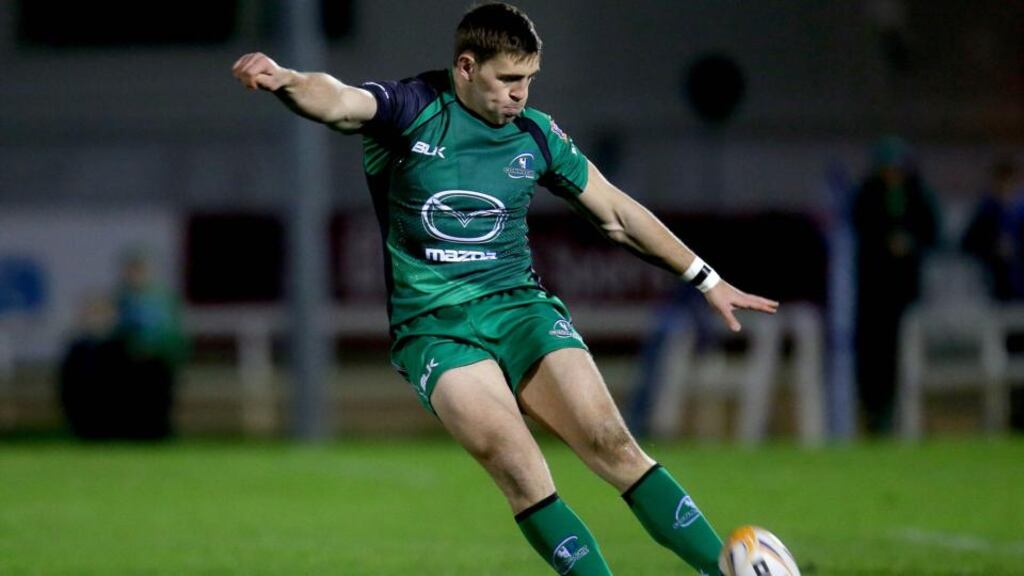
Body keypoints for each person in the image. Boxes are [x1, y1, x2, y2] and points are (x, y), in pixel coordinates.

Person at [233, 4, 777, 574]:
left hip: (521, 311)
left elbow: (615, 213)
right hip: (435, 329)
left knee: (611, 444)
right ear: (466, 67)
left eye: (530, 79)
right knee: (519, 467)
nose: (521, 93)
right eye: (509, 78)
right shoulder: (412, 108)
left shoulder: (535, 133)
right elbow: (340, 102)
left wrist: (706, 279)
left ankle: (720, 569)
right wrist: (286, 80)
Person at [851, 136, 940, 435]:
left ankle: (910, 417)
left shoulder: (917, 196)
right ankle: (876, 414)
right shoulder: (868, 195)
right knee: (875, 357)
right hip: (874, 293)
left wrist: (909, 243)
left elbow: (931, 232)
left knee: (907, 354)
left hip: (906, 292)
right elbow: (862, 229)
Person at [961, 158, 1024, 430]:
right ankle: (1006, 417)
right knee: (998, 360)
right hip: (998, 297)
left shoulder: (1021, 211)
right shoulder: (987, 211)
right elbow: (967, 243)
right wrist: (992, 251)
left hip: (1021, 295)